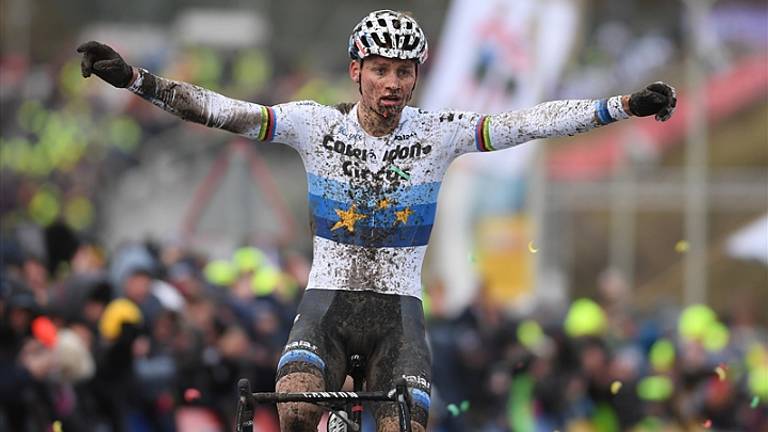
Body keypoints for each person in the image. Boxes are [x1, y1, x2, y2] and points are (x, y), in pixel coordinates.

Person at [77, 9, 676, 432]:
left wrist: (620, 106)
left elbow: (531, 122)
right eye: (381, 70)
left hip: (399, 316)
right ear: (356, 71)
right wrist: (135, 80)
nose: (393, 84)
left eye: (405, 72)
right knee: (295, 412)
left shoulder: (440, 134)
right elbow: (223, 112)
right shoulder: (315, 126)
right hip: (327, 306)